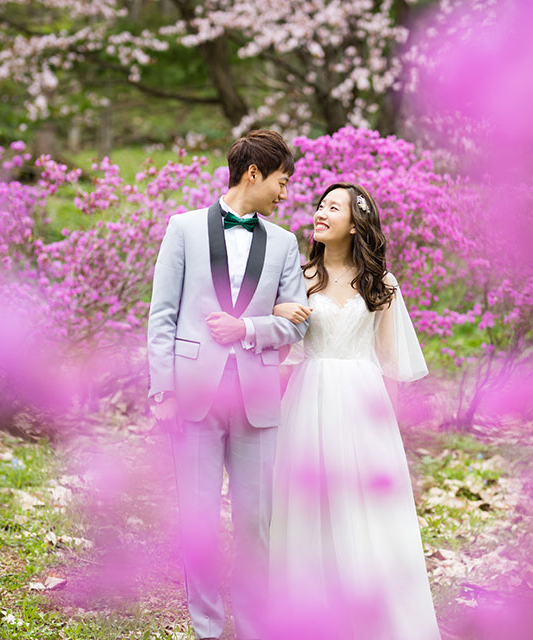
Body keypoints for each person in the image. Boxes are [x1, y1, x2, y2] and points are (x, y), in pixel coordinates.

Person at [146, 130, 309, 640]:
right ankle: (207, 629)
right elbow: (162, 317)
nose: (286, 193)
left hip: (258, 402)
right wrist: (162, 391)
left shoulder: (284, 243)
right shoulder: (184, 229)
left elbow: (298, 322)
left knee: (257, 525)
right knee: (199, 523)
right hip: (193, 398)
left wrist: (251, 329)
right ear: (254, 173)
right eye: (282, 181)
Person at [268, 183, 441, 639]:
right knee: (310, 505)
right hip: (308, 401)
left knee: (365, 509)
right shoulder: (299, 278)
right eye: (320, 206)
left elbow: (389, 362)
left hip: (364, 404)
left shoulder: (381, 284)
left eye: (333, 208)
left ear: (355, 222)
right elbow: (282, 355)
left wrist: (392, 436)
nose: (320, 213)